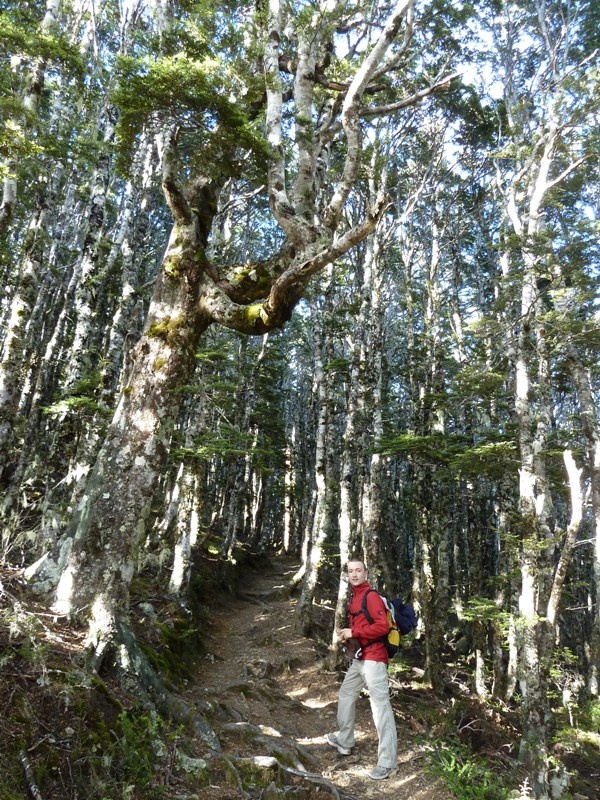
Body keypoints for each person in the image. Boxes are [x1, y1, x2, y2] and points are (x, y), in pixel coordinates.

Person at [327, 558, 398, 781]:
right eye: (351, 571)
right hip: (360, 659)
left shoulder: (371, 597)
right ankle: (345, 741)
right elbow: (363, 626)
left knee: (380, 709)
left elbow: (382, 627)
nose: (355, 574)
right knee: (346, 693)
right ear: (347, 575)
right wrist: (349, 636)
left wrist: (354, 633)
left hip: (375, 660)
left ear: (366, 573)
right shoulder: (355, 597)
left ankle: (387, 764)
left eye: (358, 570)